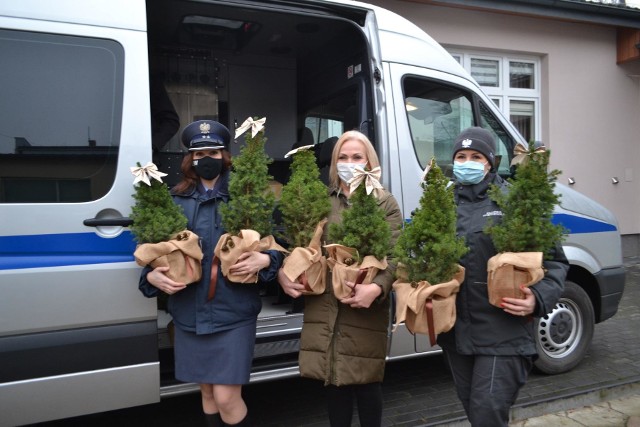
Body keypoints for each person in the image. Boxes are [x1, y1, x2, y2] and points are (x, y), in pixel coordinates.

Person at [138, 120, 284, 427]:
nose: (207, 158)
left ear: (225, 156)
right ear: (190, 159)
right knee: (206, 393)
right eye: (200, 152)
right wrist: (150, 278)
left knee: (226, 398)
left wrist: (265, 260)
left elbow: (278, 246)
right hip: (189, 313)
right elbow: (154, 251)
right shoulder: (173, 201)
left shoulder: (247, 198)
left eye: (214, 152)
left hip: (233, 312)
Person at [437, 127, 569, 427]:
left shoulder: (512, 202)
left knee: (487, 413)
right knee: (477, 412)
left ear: (490, 163)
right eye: (461, 156)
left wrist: (537, 297)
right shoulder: (444, 204)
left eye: (475, 156)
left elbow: (555, 262)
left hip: (504, 331)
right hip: (456, 333)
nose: (467, 162)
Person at [278, 130, 403, 427]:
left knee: (366, 381)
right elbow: (302, 245)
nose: (350, 163)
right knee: (333, 381)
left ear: (369, 161)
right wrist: (286, 272)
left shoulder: (383, 202)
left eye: (357, 157)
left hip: (363, 305)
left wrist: (376, 287)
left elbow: (397, 255)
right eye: (343, 158)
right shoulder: (323, 201)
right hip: (325, 304)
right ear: (335, 164)